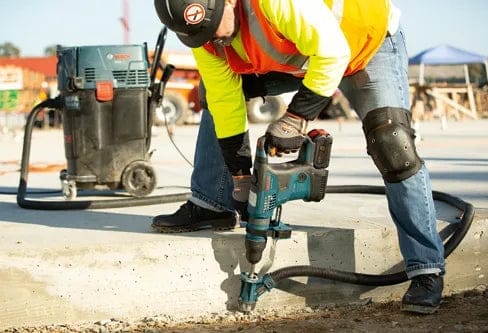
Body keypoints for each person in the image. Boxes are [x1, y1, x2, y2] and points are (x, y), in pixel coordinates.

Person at [152, 0, 445, 314]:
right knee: (213, 93)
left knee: (391, 142)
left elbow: (333, 52)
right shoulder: (205, 37)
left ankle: (425, 267)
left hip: (364, 45)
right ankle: (214, 202)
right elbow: (226, 101)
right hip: (298, 53)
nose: (215, 40)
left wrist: (295, 118)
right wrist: (240, 177)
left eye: (213, 29)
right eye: (200, 35)